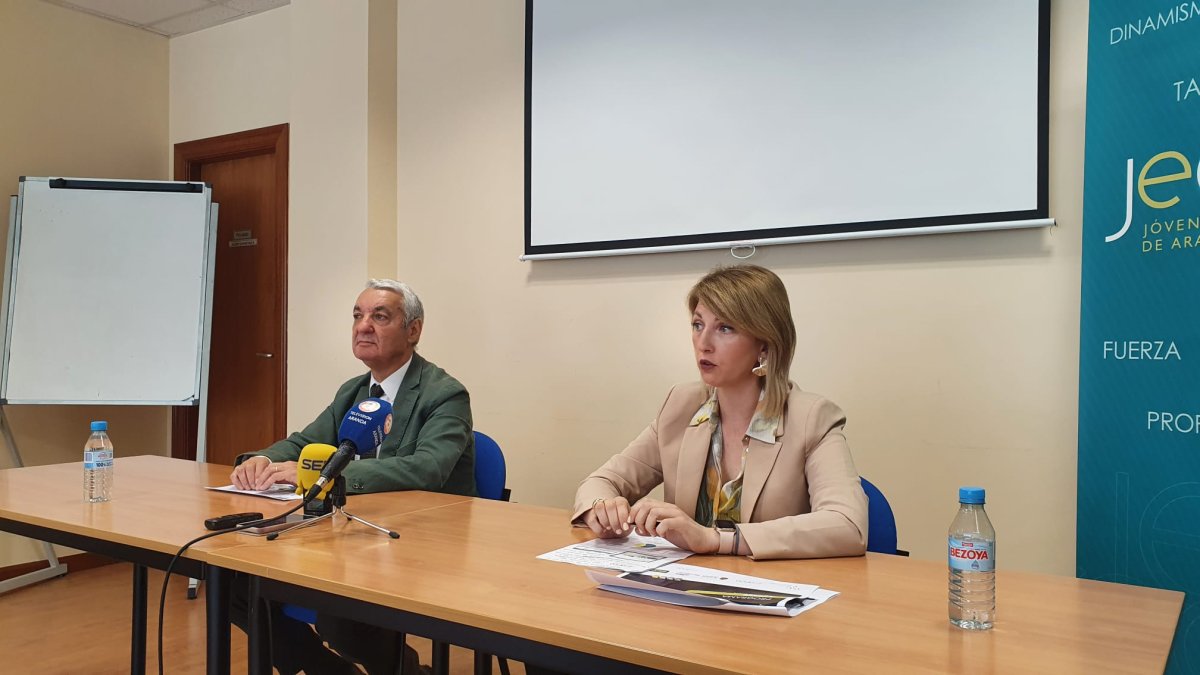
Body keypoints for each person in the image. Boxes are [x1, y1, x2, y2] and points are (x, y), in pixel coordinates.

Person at [229, 278, 475, 675]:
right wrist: (260, 459)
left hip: (425, 539)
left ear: (413, 330)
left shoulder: (444, 394)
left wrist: (333, 476)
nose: (363, 326)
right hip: (354, 535)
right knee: (235, 584)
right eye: (358, 316)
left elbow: (428, 468)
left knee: (341, 612)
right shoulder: (355, 391)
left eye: (380, 316)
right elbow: (304, 442)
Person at [573, 265, 867, 559]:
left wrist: (714, 540)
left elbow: (848, 525)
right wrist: (604, 509)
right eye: (698, 325)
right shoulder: (681, 405)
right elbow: (602, 482)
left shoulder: (812, 418)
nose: (704, 344)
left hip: (770, 593)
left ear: (764, 345)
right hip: (681, 590)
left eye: (725, 328)